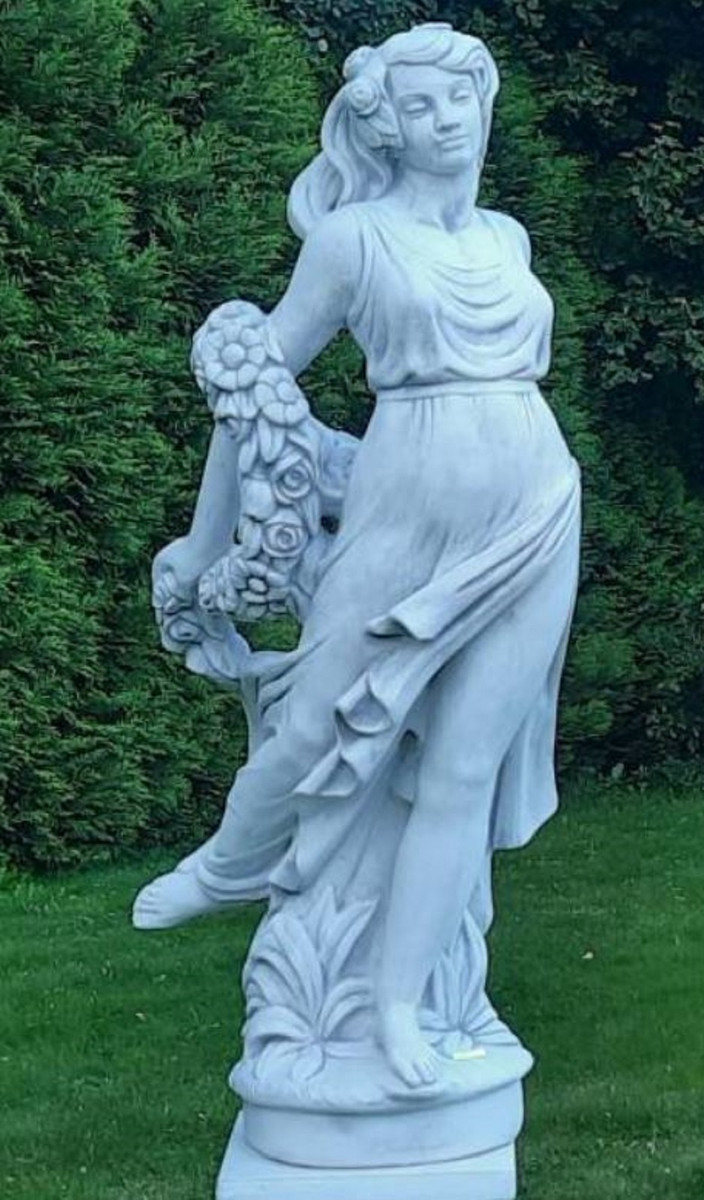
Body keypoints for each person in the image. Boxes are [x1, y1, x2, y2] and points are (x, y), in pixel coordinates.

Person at [133, 22, 582, 1091]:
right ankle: (227, 864)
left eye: (460, 98)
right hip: (405, 504)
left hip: (535, 507)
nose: (447, 120)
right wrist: (205, 542)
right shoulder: (354, 240)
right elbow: (254, 387)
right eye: (420, 105)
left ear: (485, 104)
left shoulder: (508, 240)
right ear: (387, 127)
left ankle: (398, 1008)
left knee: (461, 771)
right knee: (315, 718)